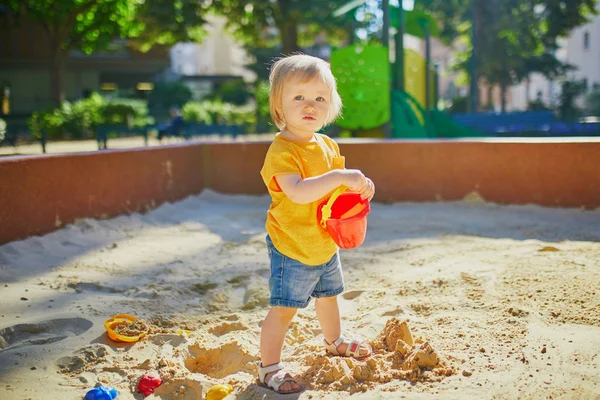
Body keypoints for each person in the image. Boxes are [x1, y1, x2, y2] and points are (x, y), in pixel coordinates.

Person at [258, 54, 376, 394]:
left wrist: (360, 186)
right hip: (292, 246)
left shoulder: (327, 145)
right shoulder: (282, 151)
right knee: (283, 310)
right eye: (298, 97)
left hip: (324, 242)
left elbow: (336, 190)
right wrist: (341, 175)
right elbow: (297, 192)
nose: (310, 105)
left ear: (331, 106)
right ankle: (270, 367)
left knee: (329, 297)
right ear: (278, 105)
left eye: (320, 98)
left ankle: (334, 340)